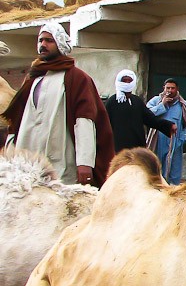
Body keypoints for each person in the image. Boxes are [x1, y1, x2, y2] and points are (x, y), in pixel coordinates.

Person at [2, 21, 114, 186]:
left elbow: (84, 120)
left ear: (60, 43)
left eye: (49, 40)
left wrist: (85, 163)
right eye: (40, 40)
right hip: (29, 158)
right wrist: (10, 153)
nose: (43, 45)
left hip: (61, 159)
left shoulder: (76, 78)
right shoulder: (33, 78)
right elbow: (17, 119)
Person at [104, 70, 175, 152]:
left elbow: (151, 119)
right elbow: (104, 126)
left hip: (137, 147)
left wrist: (169, 126)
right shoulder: (112, 102)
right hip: (117, 148)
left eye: (129, 81)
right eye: (124, 81)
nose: (127, 83)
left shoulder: (137, 101)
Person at [146, 78, 186, 185]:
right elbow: (146, 115)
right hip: (157, 142)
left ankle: (173, 191)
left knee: (174, 171)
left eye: (172, 88)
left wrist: (184, 139)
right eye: (168, 88)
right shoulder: (155, 101)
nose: (170, 90)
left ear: (177, 89)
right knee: (156, 168)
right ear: (163, 88)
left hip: (175, 142)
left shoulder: (183, 105)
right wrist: (162, 105)